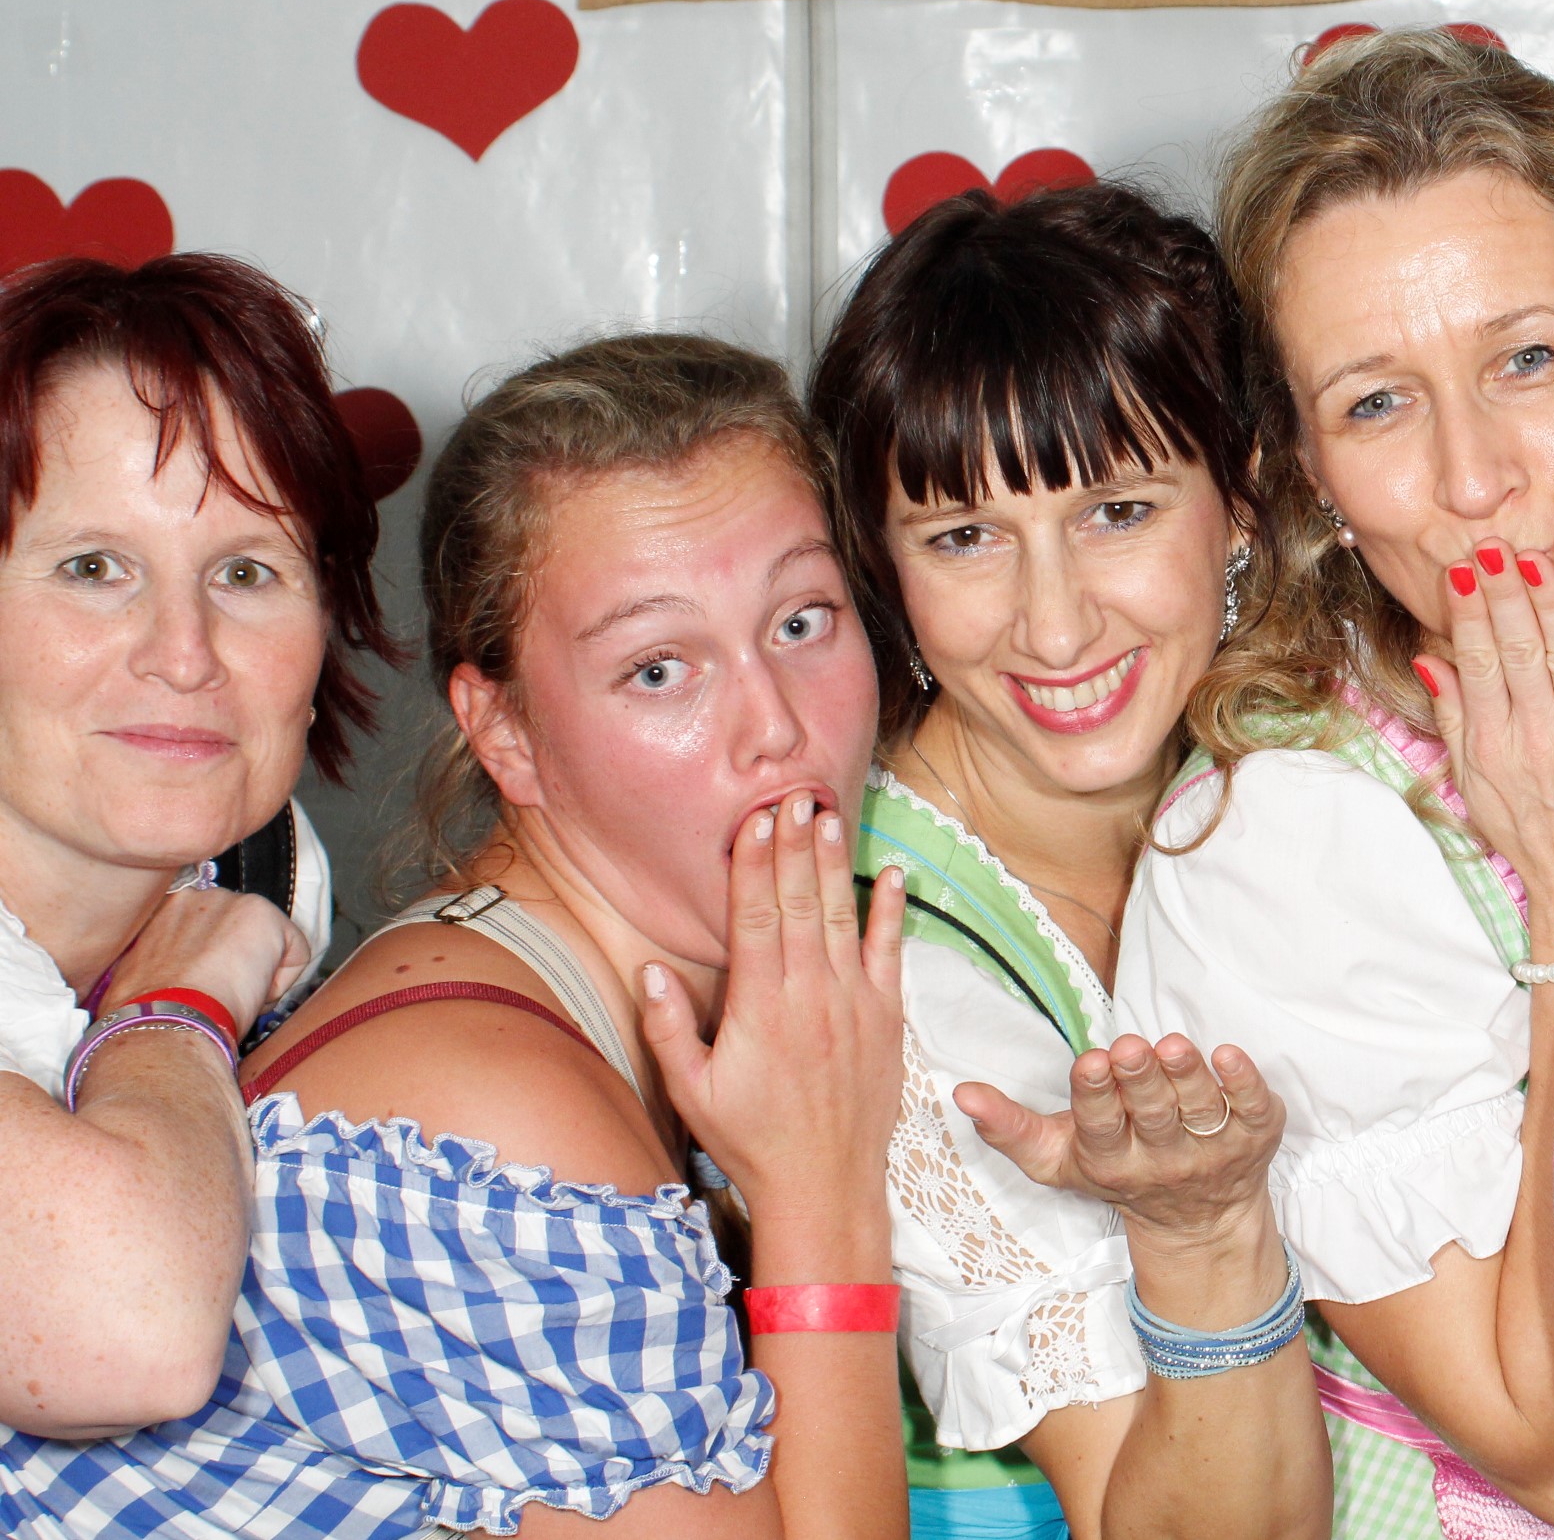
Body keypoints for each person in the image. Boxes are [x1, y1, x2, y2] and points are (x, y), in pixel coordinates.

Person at [1, 332, 930, 1536]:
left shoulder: (305, 896)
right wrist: (824, 1186)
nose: (775, 726)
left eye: (803, 620)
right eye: (658, 668)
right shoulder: (499, 1125)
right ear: (506, 736)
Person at [1116, 26, 1554, 1539]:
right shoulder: (1281, 837)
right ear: (1303, 467)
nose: (1471, 477)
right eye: (1376, 402)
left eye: (1527, 360)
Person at [809, 183, 1331, 1540]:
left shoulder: (1297, 765)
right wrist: (1204, 1230)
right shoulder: (889, 976)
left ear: (1239, 500)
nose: (1052, 625)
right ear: (883, 567)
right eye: (964, 535)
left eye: (1116, 510)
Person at [0, 253, 384, 1438]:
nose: (184, 652)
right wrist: (177, 1005)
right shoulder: (229, 929)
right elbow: (126, 1339)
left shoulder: (263, 864)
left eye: (246, 571)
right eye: (93, 567)